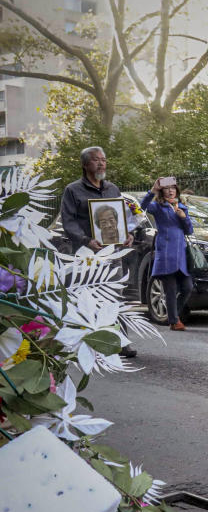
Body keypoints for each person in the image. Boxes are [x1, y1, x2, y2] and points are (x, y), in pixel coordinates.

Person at [60, 146, 137, 357]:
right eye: (96, 160)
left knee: (116, 297)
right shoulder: (73, 190)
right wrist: (86, 240)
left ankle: (121, 342)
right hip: (88, 256)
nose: (101, 163)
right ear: (85, 165)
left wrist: (128, 234)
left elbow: (122, 218)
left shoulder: (113, 189)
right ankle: (89, 340)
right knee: (88, 298)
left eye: (103, 159)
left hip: (112, 254)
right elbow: (69, 222)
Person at [140, 178, 193, 331]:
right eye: (166, 188)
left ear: (177, 190)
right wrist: (152, 191)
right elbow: (141, 208)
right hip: (165, 253)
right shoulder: (157, 207)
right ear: (162, 191)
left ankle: (173, 315)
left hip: (181, 254)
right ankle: (174, 321)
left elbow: (189, 231)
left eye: (173, 188)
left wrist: (184, 217)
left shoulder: (182, 207)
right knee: (170, 288)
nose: (170, 191)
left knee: (187, 287)